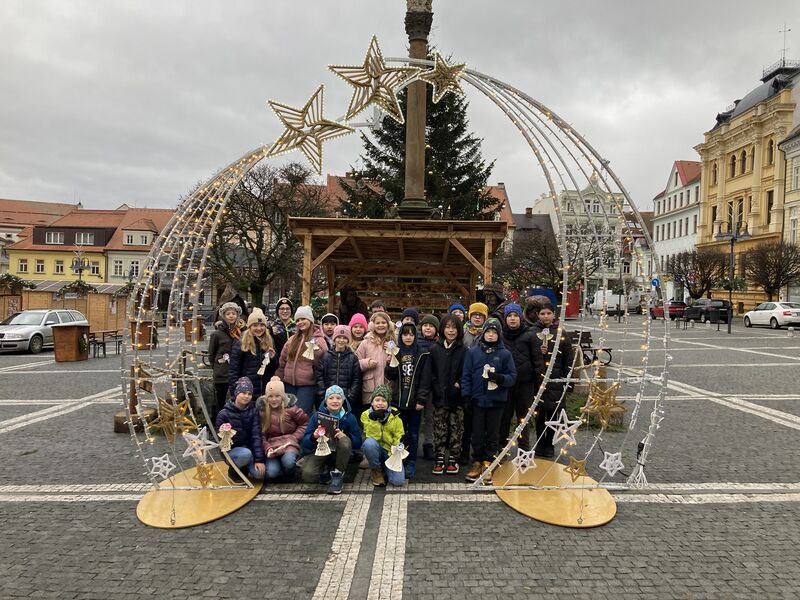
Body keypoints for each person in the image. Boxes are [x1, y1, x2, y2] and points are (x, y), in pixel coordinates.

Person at [461, 318, 517, 484]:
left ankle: (489, 463)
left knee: (493, 434)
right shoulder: (473, 352)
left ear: (499, 335)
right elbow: (466, 376)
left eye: (494, 332)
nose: (491, 335)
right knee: (477, 434)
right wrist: (466, 395)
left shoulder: (505, 354)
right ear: (483, 333)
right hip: (477, 400)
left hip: (496, 401)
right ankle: (477, 462)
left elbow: (512, 377)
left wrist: (499, 378)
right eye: (488, 332)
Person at [384, 322, 431, 478]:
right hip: (398, 400)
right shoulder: (396, 353)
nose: (408, 337)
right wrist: (390, 359)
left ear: (415, 336)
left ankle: (411, 461)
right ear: (400, 336)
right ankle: (399, 459)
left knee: (414, 433)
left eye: (411, 334)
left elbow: (425, 380)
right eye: (405, 334)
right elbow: (390, 375)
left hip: (414, 401)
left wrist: (421, 400)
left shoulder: (423, 354)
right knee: (399, 433)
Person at [424, 314, 467, 474]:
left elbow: (466, 372)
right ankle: (439, 457)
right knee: (439, 429)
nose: (450, 330)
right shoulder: (434, 349)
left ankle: (453, 458)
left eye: (454, 327)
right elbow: (430, 372)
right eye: (447, 327)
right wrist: (435, 386)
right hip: (439, 396)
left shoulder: (463, 350)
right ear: (442, 329)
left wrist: (459, 384)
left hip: (457, 398)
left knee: (456, 429)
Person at [300, 385, 363, 494]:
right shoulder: (316, 416)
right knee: (308, 476)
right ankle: (326, 470)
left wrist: (346, 435)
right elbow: (305, 443)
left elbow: (358, 442)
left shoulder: (349, 417)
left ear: (343, 400)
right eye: (331, 398)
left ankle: (338, 474)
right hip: (321, 450)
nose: (335, 401)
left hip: (340, 451)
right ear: (326, 400)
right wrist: (313, 437)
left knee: (345, 441)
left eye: (338, 398)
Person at [531, 302, 574, 459]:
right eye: (542, 313)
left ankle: (549, 444)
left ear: (553, 315)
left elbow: (569, 359)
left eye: (548, 313)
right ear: (538, 315)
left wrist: (567, 382)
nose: (545, 316)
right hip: (539, 381)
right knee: (540, 414)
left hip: (556, 381)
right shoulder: (533, 332)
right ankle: (540, 443)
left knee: (553, 416)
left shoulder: (561, 333)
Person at [499, 303, 538, 453]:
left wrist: (537, 380)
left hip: (525, 384)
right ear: (505, 319)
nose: (513, 319)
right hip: (506, 385)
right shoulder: (501, 336)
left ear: (520, 318)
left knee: (523, 419)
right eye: (509, 316)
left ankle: (524, 450)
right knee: (504, 418)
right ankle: (502, 449)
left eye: (515, 316)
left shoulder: (529, 335)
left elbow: (537, 360)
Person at [276, 305, 328, 415]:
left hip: (307, 385)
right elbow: (282, 362)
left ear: (310, 320)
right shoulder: (292, 340)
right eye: (298, 320)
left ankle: (303, 433)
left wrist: (317, 351)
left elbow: (324, 363)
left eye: (303, 319)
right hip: (289, 384)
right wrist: (278, 378)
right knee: (288, 415)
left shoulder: (319, 340)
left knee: (301, 415)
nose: (300, 322)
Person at [257, 376, 309, 481]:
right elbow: (261, 434)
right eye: (270, 396)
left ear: (283, 396)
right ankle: (278, 471)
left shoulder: (292, 409)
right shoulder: (262, 413)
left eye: (277, 396)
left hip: (289, 443)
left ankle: (290, 473)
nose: (274, 399)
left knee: (288, 461)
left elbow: (305, 423)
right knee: (271, 472)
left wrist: (294, 437)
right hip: (272, 445)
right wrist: (267, 447)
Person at [215, 377, 265, 481]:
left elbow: (256, 436)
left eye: (249, 394)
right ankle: (233, 471)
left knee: (259, 475)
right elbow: (219, 440)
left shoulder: (253, 412)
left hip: (249, 449)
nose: (246, 396)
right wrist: (225, 434)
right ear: (236, 393)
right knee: (244, 454)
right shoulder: (224, 414)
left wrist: (259, 459)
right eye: (243, 393)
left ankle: (245, 467)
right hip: (233, 451)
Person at [361, 385, 406, 487]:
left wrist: (397, 446)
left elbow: (399, 435)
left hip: (390, 451)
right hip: (375, 448)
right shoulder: (365, 415)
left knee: (398, 482)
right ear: (372, 402)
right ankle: (376, 470)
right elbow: (371, 436)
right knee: (369, 444)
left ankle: (386, 468)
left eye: (383, 400)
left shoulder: (395, 415)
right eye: (377, 400)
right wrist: (374, 421)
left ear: (388, 403)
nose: (380, 403)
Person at [208, 301, 245, 422]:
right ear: (223, 316)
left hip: (237, 373)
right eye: (228, 313)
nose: (231, 316)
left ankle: (234, 423)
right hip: (221, 374)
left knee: (236, 400)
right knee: (219, 401)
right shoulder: (217, 334)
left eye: (233, 313)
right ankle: (217, 424)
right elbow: (211, 354)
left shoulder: (241, 333)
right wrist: (217, 366)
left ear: (237, 315)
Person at [228, 308, 276, 400]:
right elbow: (233, 371)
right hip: (247, 392)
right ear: (250, 326)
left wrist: (273, 358)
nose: (259, 328)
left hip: (264, 390)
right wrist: (235, 393)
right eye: (255, 325)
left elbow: (273, 368)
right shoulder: (241, 343)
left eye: (262, 325)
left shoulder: (269, 341)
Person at [315, 325, 362, 415]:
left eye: (344, 338)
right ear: (334, 339)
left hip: (345, 399)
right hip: (328, 399)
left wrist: (350, 395)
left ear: (348, 340)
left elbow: (356, 379)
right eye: (339, 337)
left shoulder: (353, 358)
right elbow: (319, 376)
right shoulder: (326, 356)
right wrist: (323, 394)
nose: (341, 340)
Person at [355, 311, 396, 408]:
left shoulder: (392, 342)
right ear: (372, 325)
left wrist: (392, 358)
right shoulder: (365, 343)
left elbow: (398, 364)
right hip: (370, 389)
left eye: (383, 323)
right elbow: (355, 364)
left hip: (387, 387)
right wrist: (367, 363)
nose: (380, 325)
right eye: (378, 323)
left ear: (388, 325)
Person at [417, 313, 439, 461]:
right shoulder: (415, 342)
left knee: (430, 417)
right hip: (417, 385)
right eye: (425, 325)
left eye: (431, 326)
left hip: (433, 386)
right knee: (416, 417)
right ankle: (411, 443)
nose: (428, 328)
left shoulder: (439, 344)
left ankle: (429, 444)